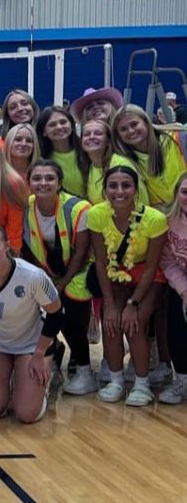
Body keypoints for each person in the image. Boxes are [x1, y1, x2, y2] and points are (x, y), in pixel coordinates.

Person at [87, 165, 167, 405]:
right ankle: (116, 380)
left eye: (126, 185)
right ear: (105, 189)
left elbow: (152, 267)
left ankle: (142, 385)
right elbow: (101, 262)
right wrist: (110, 303)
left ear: (136, 190)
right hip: (116, 273)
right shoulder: (97, 215)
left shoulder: (155, 219)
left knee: (134, 321)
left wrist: (133, 304)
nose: (119, 191)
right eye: (113, 185)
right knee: (110, 319)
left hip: (148, 277)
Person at [0, 223, 61, 423]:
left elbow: (56, 313)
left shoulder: (32, 276)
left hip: (31, 346)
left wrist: (39, 353)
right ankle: (12, 382)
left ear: (8, 246)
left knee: (26, 415)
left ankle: (43, 383)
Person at [23, 161, 97, 397]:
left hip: (79, 269)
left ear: (60, 183)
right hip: (46, 271)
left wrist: (61, 283)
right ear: (29, 182)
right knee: (32, 307)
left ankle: (85, 370)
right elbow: (28, 248)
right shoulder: (25, 206)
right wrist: (42, 280)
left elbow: (82, 252)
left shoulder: (79, 208)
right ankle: (53, 350)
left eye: (49, 178)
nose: (43, 183)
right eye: (37, 178)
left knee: (69, 306)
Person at [111, 103, 187, 210]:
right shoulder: (128, 163)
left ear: (146, 122)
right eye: (123, 129)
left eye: (134, 124)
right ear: (119, 135)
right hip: (169, 219)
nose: (131, 131)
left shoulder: (179, 139)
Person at [156, 172, 187, 404]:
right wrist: (184, 291)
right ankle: (182, 380)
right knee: (176, 331)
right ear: (177, 194)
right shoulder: (168, 220)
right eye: (185, 192)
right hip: (181, 284)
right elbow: (167, 260)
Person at [78, 117, 146, 206]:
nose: (91, 137)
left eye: (98, 133)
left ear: (108, 141)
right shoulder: (89, 166)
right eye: (87, 134)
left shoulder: (120, 163)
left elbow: (140, 202)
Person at [35, 105, 84, 197]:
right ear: (44, 132)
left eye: (63, 122)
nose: (59, 127)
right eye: (52, 125)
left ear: (72, 125)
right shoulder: (41, 159)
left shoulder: (87, 151)